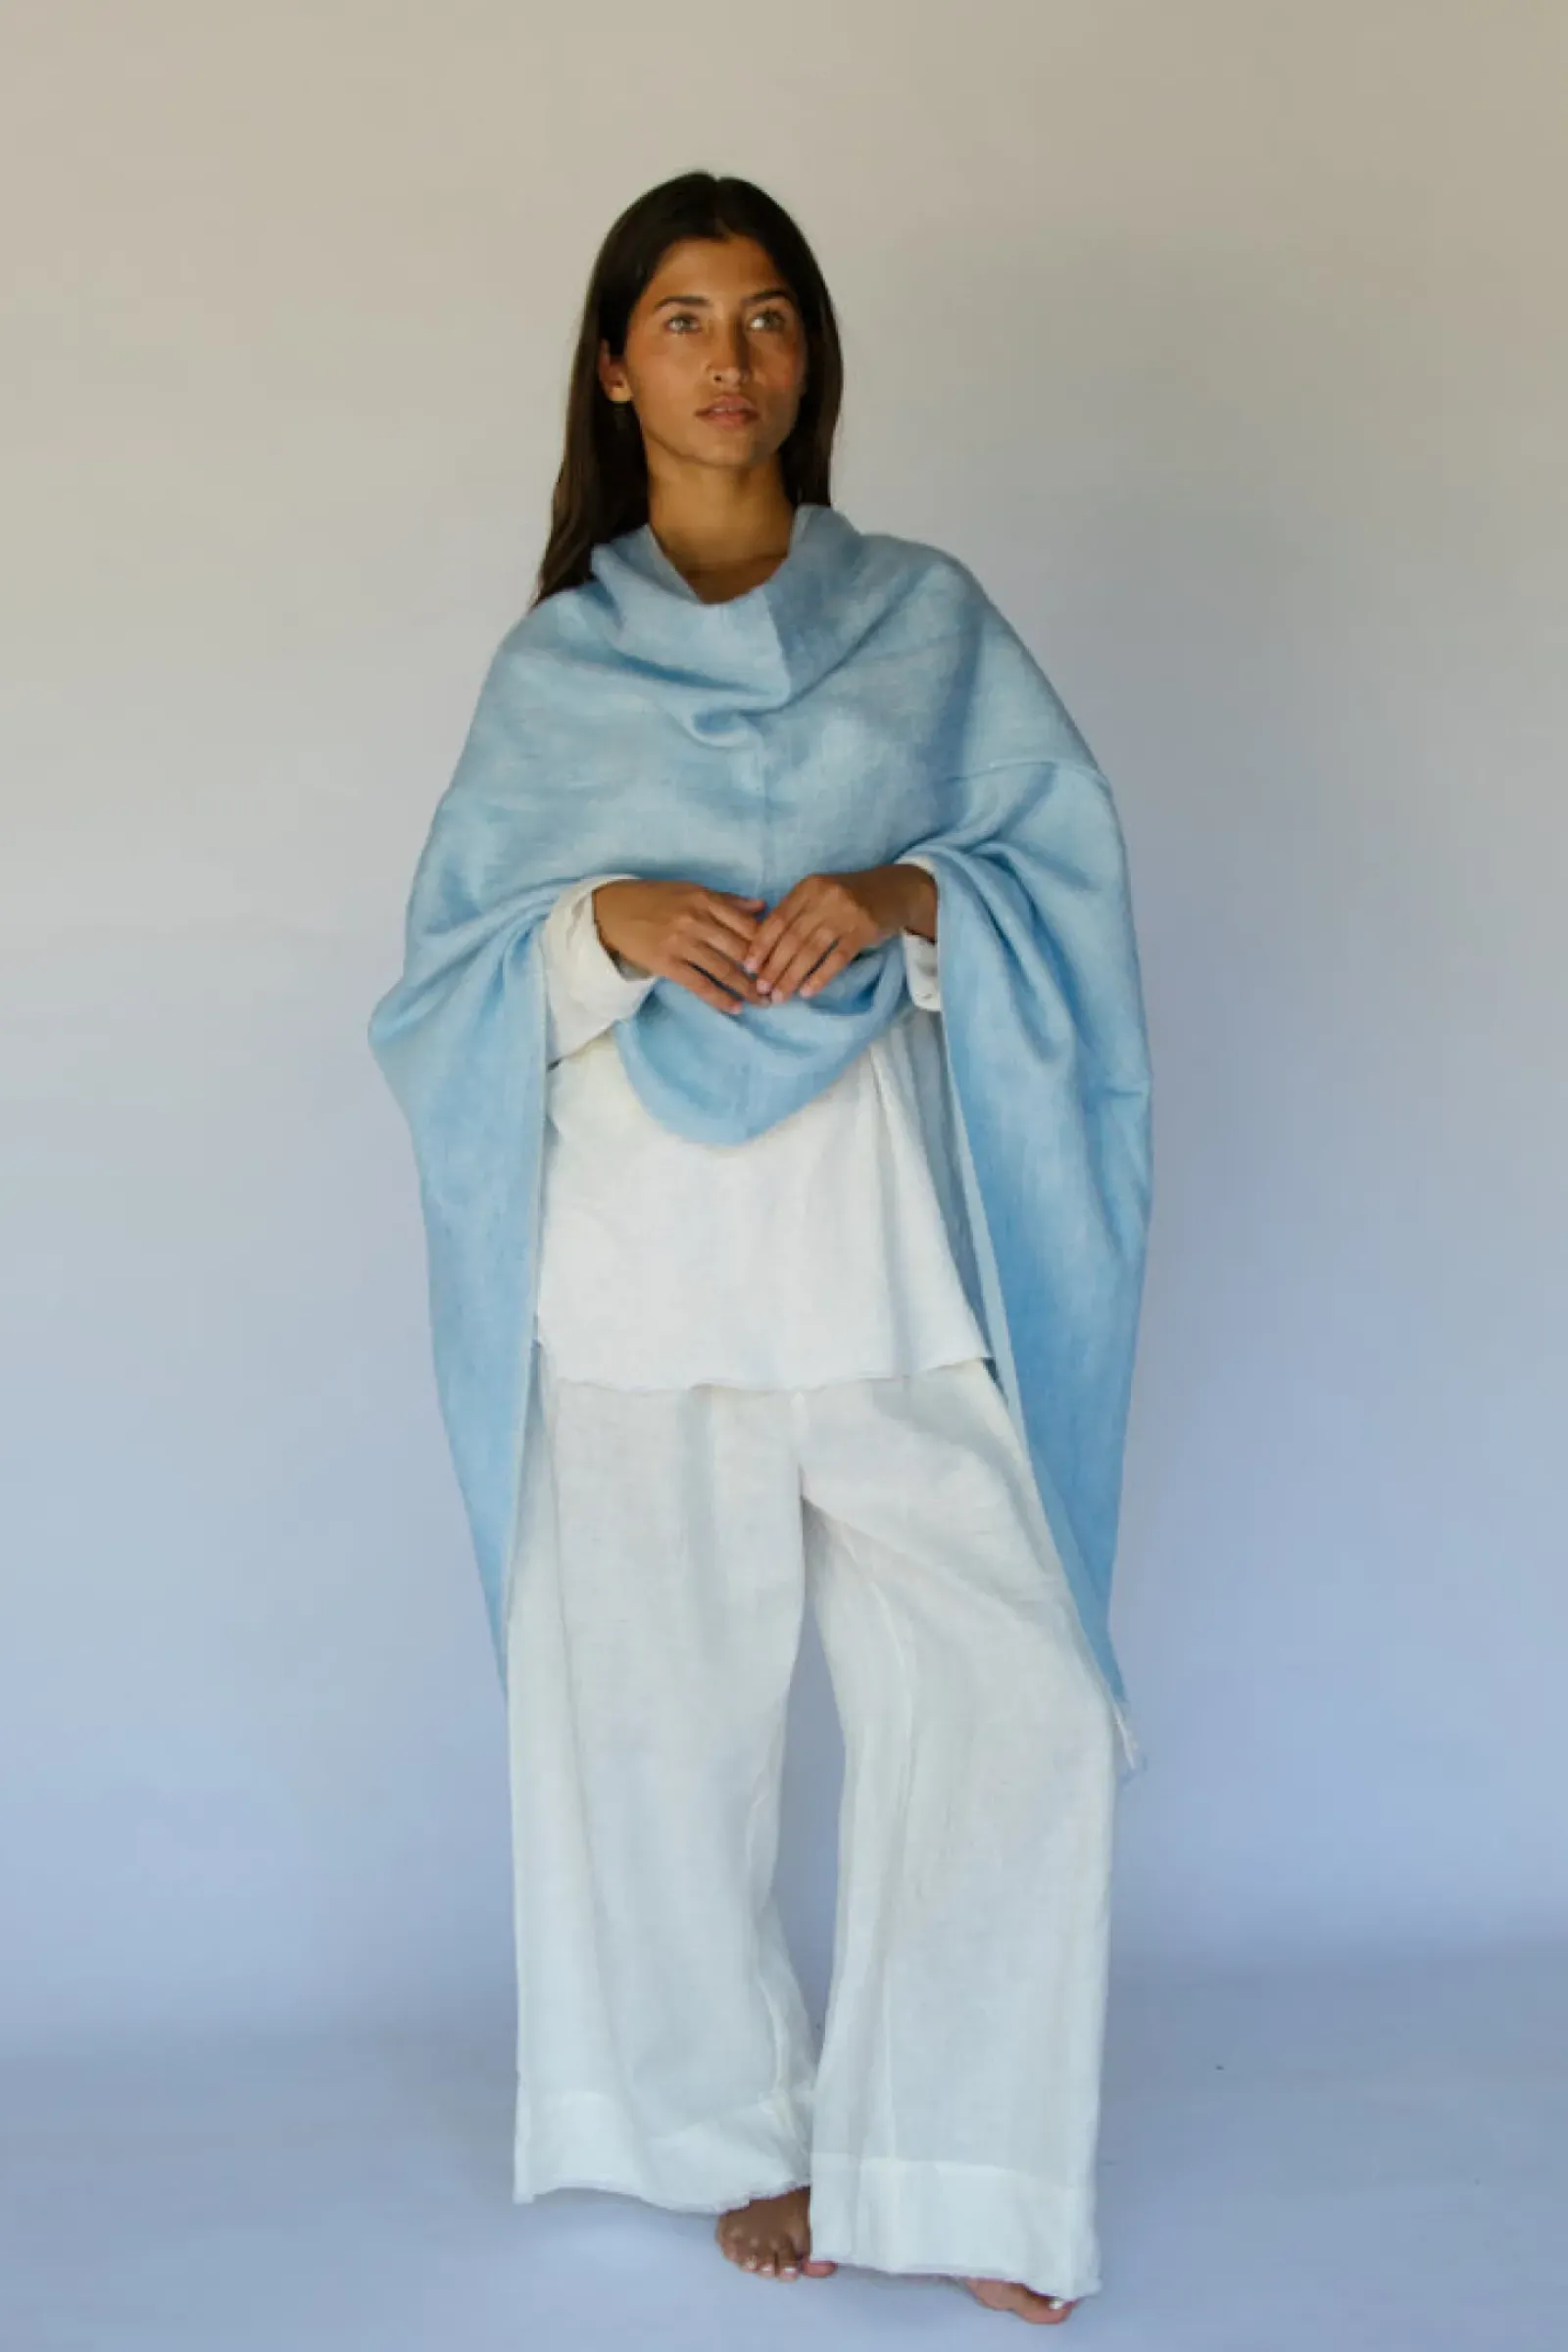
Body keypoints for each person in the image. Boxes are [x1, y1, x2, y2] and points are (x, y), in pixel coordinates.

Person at [368, 171, 1154, 2327]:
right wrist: (597, 921)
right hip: (636, 1259)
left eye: (769, 315)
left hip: (871, 1240)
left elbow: (1059, 880)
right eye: (686, 318)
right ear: (615, 366)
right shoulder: (557, 665)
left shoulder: (925, 618)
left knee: (1014, 1688)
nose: (732, 358)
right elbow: (439, 982)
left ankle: (960, 2162)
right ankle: (734, 2138)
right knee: (649, 1727)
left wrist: (904, 895)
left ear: (810, 356)